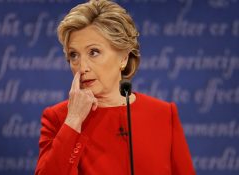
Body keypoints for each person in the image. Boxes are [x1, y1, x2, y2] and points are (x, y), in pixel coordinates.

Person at [34, 0, 196, 174]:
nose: (82, 67)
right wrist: (73, 121)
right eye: (74, 55)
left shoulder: (163, 115)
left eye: (93, 52)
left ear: (123, 58)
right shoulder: (59, 119)